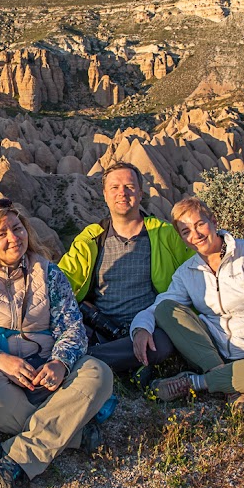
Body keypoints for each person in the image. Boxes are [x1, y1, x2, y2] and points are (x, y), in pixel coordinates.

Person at [0, 198, 113, 488]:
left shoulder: (49, 273)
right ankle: (73, 431)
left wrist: (60, 363)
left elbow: (72, 326)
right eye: (1, 234)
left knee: (99, 373)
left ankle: (18, 454)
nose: (13, 238)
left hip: (45, 368)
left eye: (17, 229)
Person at [133, 197, 244, 412]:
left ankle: (196, 383)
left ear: (213, 221)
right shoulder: (187, 273)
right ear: (182, 239)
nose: (195, 235)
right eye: (186, 232)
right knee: (168, 308)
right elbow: (158, 308)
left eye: (199, 224)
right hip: (211, 354)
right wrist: (140, 328)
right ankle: (233, 385)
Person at [58, 162, 194, 381]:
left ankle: (81, 361)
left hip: (150, 325)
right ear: (104, 194)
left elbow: (194, 268)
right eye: (115, 187)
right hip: (100, 328)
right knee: (66, 331)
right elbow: (64, 278)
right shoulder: (91, 238)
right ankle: (129, 364)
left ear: (140, 193)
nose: (122, 193)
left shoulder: (164, 233)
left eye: (130, 187)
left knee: (163, 343)